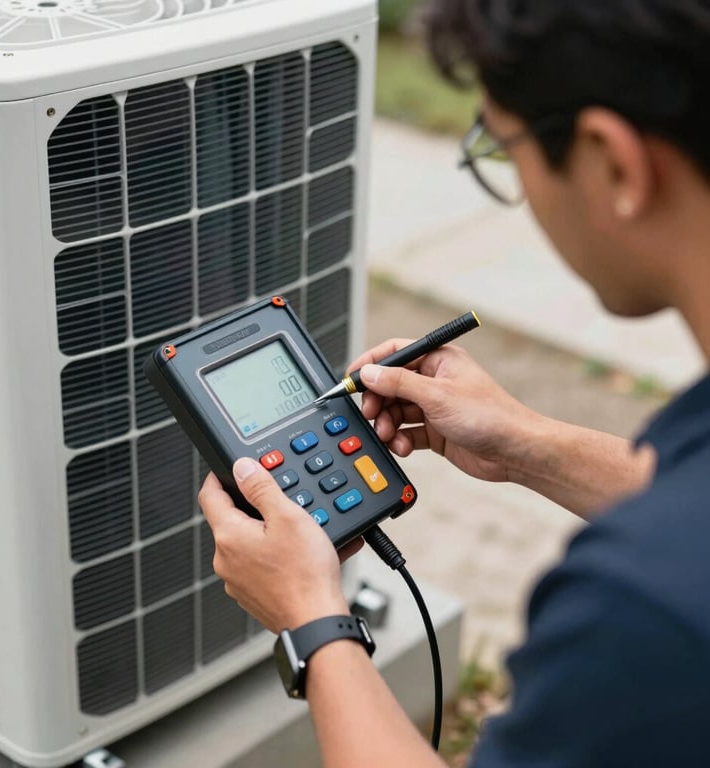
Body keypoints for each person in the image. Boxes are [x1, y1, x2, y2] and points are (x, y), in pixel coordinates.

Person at [198, 1, 710, 765]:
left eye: (501, 148)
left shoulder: (637, 615)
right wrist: (524, 446)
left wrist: (312, 622)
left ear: (613, 161)